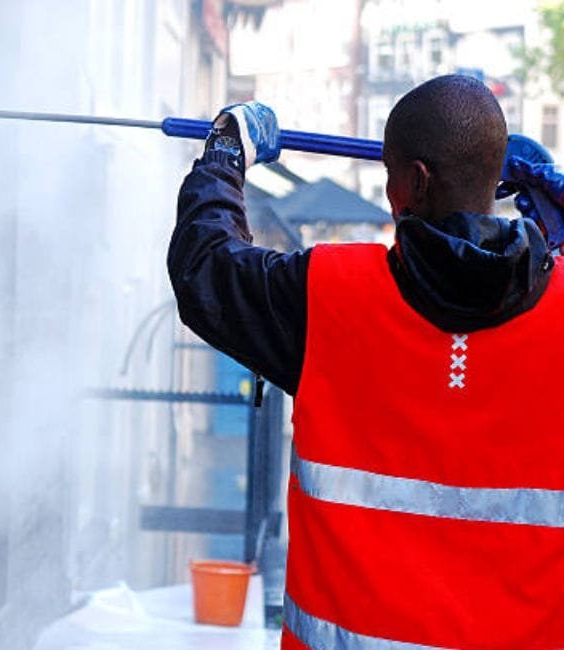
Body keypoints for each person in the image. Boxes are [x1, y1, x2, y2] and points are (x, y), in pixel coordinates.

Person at [168, 74, 564, 648]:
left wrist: (227, 151)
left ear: (416, 182)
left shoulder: (330, 298)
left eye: (388, 173)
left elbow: (205, 268)